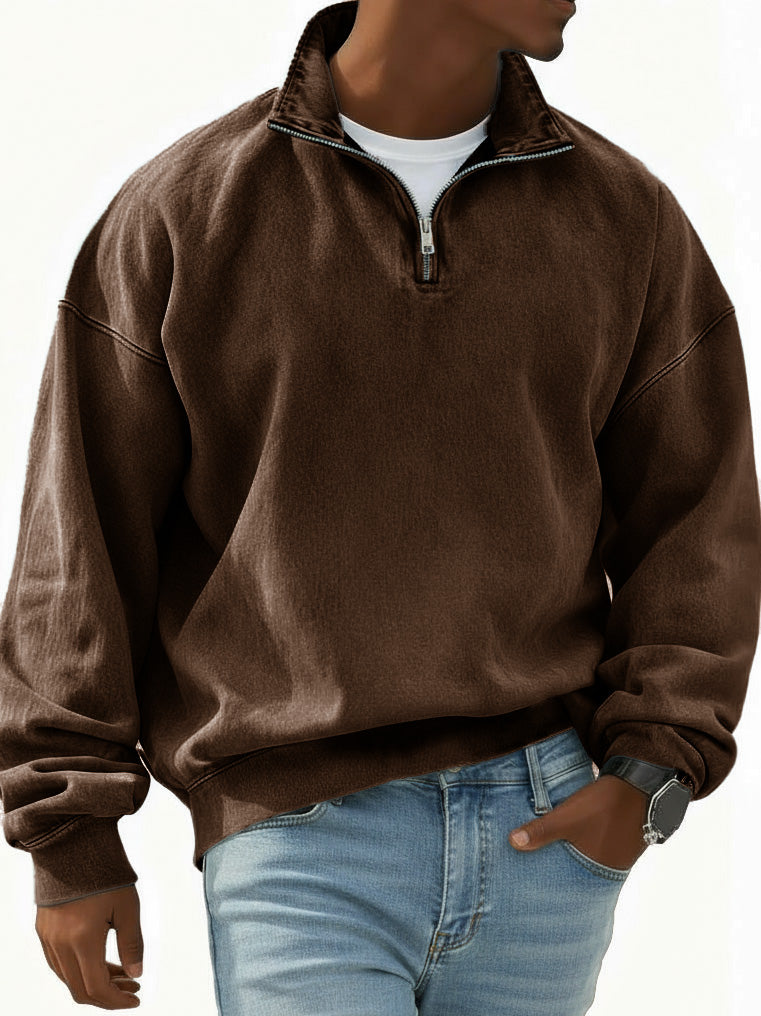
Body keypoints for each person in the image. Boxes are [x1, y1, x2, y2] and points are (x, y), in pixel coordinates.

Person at [1, 0, 759, 1012]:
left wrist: (648, 773)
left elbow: (698, 518)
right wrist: (69, 834)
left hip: (545, 828)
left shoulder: (624, 217)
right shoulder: (184, 212)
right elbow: (80, 539)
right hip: (294, 836)